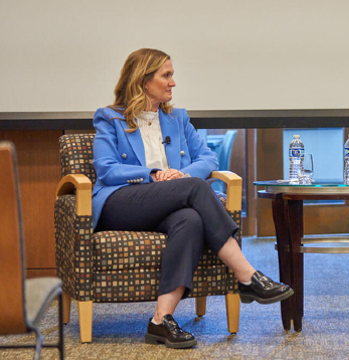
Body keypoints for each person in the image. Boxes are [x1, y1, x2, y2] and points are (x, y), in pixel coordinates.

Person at [92, 48, 294, 349]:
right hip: (121, 202)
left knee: (190, 219)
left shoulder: (177, 119)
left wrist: (180, 176)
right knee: (197, 188)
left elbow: (208, 158)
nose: (173, 82)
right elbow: (106, 169)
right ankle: (246, 275)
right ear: (144, 80)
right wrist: (153, 174)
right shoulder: (110, 118)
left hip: (167, 199)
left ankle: (161, 320)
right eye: (166, 75)